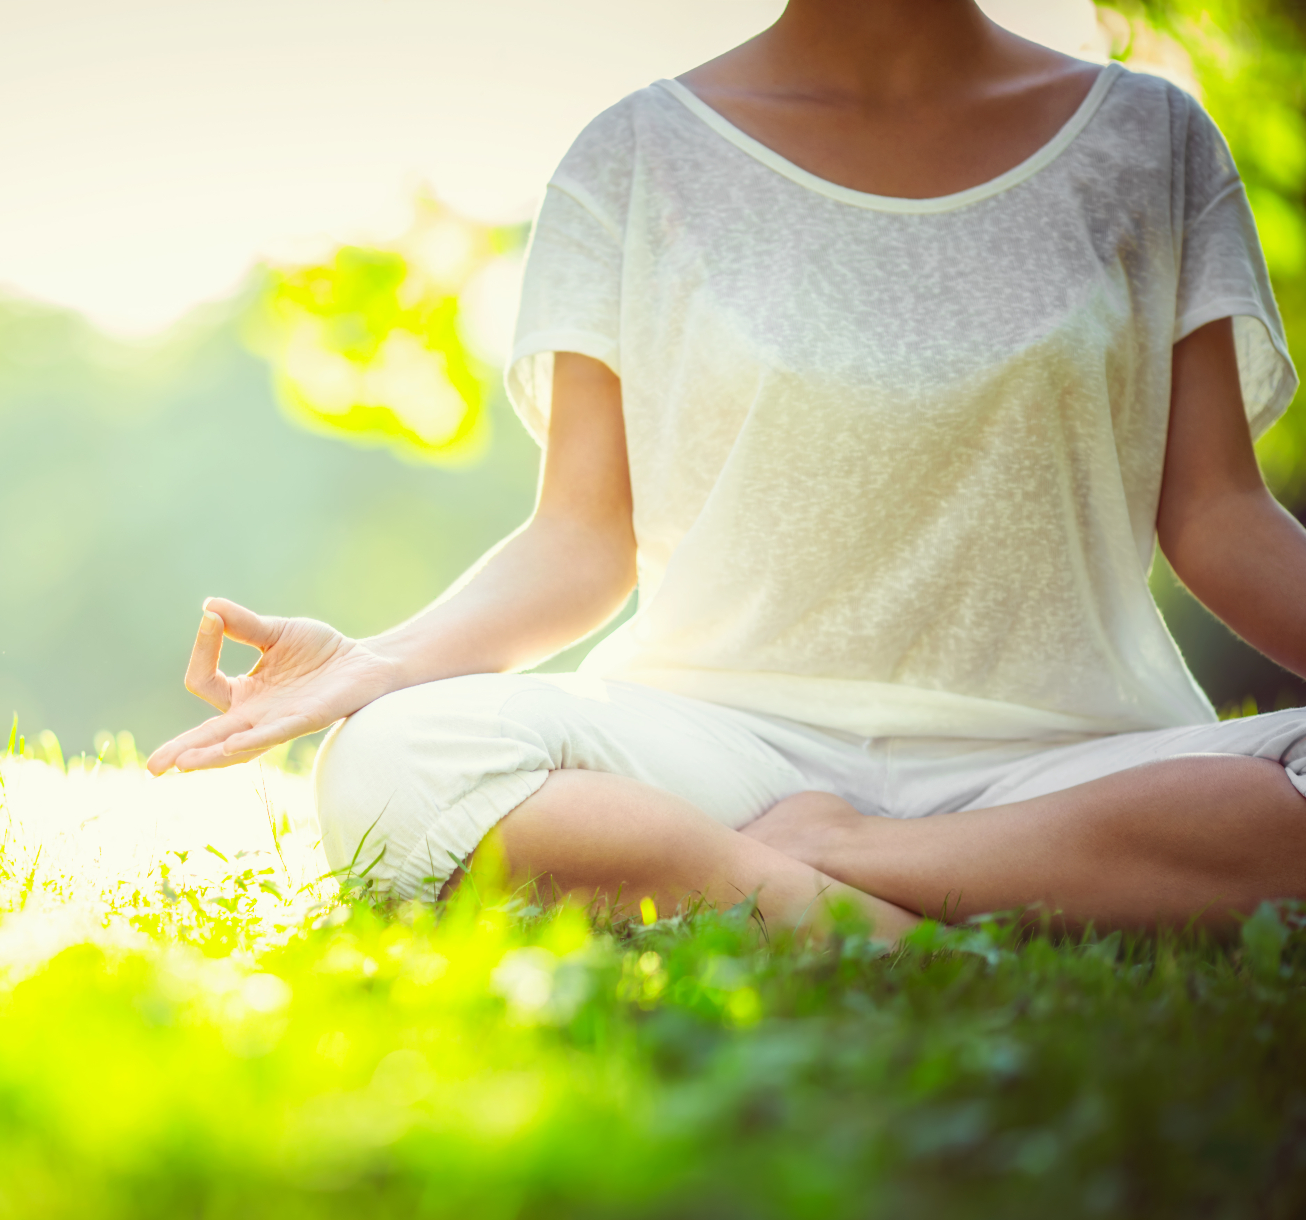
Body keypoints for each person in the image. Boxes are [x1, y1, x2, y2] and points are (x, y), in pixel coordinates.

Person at [146, 0, 1304, 941]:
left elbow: (1215, 514)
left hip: (1073, 767)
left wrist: (847, 834)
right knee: (388, 768)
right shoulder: (636, 155)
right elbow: (580, 539)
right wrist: (380, 663)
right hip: (723, 752)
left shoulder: (1147, 141)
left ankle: (837, 876)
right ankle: (891, 929)